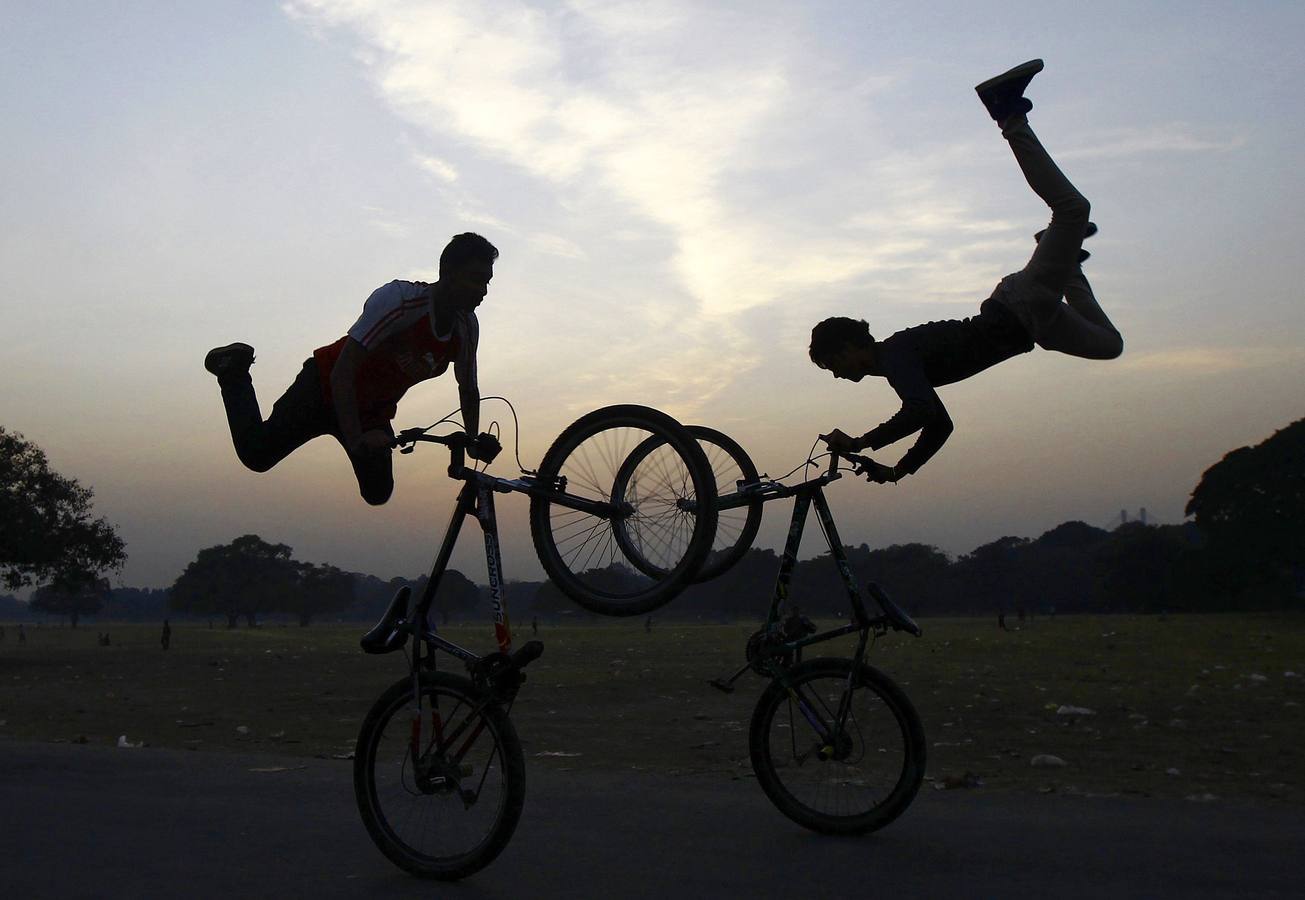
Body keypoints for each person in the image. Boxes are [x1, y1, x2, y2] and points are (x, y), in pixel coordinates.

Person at [811, 61, 1122, 483]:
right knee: (1110, 346)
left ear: (852, 345)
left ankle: (1008, 112)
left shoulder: (897, 355)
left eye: (833, 363)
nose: (837, 374)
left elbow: (920, 412)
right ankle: (1067, 271)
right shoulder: (898, 370)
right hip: (1035, 326)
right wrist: (898, 470)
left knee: (1072, 210)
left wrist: (862, 442)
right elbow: (939, 423)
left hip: (1021, 304)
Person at [204, 233, 498, 505]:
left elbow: (468, 388)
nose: (482, 291)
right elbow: (343, 372)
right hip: (323, 386)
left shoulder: (466, 328)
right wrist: (357, 439)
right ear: (448, 272)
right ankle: (234, 373)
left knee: (378, 492)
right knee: (257, 455)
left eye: (487, 282)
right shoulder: (400, 300)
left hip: (371, 411)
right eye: (475, 279)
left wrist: (473, 441)